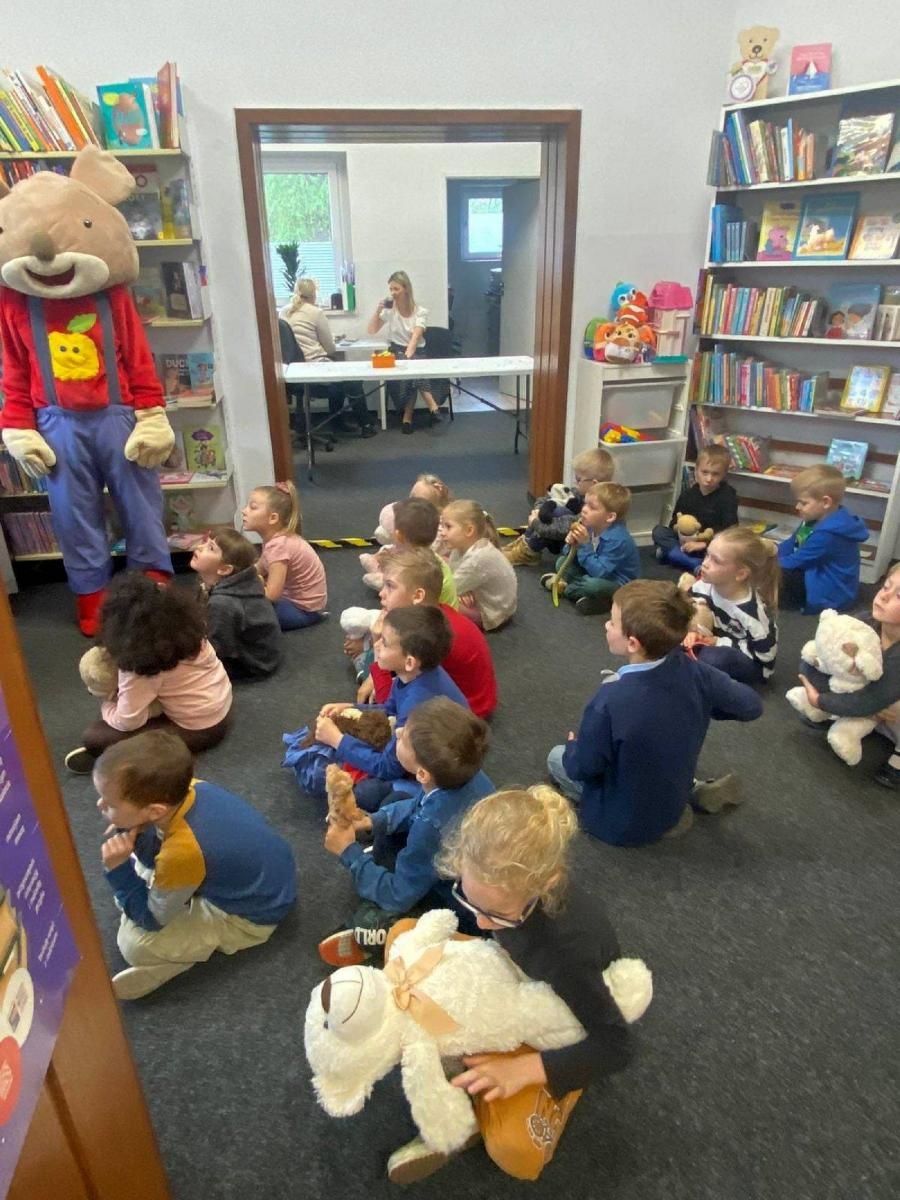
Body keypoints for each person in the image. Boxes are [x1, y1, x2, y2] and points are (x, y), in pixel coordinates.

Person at [382, 785, 632, 1184]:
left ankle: (514, 1108)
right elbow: (485, 926)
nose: (480, 924)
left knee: (514, 1152)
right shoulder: (501, 894)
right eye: (468, 898)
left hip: (554, 1020)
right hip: (512, 978)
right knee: (404, 933)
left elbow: (617, 1047)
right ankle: (475, 1092)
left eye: (497, 914)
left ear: (546, 883)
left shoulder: (568, 952)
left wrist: (524, 1070)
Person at [547, 580, 762, 845]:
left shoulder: (609, 700)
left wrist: (572, 748)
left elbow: (584, 766)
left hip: (621, 825)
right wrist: (702, 704)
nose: (606, 625)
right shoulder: (697, 672)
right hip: (670, 798)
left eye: (612, 622)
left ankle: (681, 799)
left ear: (634, 643)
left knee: (556, 758)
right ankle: (690, 793)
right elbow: (751, 706)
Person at [95, 731, 296, 1000]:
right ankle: (164, 895)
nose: (100, 806)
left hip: (252, 917)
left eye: (110, 804)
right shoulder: (192, 787)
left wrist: (118, 871)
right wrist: (130, 824)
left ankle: (174, 962)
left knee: (133, 944)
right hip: (271, 878)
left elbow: (153, 920)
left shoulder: (182, 852)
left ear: (155, 811)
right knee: (144, 867)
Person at [318, 697, 494, 967]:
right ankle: (379, 877)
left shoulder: (431, 825)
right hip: (463, 861)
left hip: (465, 912)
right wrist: (371, 822)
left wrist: (349, 852)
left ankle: (384, 931)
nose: (397, 731)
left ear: (422, 774)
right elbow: (420, 804)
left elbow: (399, 894)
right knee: (393, 803)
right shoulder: (469, 774)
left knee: (390, 903)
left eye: (403, 739)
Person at [65, 573, 233, 774]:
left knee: (94, 736)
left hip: (199, 730)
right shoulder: (190, 632)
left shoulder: (140, 666)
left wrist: (109, 703)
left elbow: (127, 721)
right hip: (224, 709)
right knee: (150, 702)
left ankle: (126, 758)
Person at [315, 605, 468, 811]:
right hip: (429, 758)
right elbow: (389, 709)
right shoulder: (411, 676)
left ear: (410, 661)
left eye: (384, 643)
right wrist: (350, 707)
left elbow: (387, 767)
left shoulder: (416, 705)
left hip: (440, 781)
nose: (376, 646)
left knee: (364, 794)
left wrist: (337, 740)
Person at [795, 562, 900, 789]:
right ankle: (856, 718)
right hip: (872, 701)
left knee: (894, 707)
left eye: (898, 596)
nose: (883, 597)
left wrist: (821, 701)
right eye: (886, 587)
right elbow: (822, 651)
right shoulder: (863, 624)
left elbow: (874, 698)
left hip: (888, 707)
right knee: (847, 679)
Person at [360, 545, 498, 717]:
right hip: (463, 693)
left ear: (418, 596)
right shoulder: (433, 616)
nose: (381, 593)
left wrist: (376, 640)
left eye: (390, 586)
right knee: (377, 661)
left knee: (370, 686)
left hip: (465, 713)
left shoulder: (430, 636)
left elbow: (388, 705)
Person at [280, 277, 377, 437]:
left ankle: (337, 422)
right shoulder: (315, 312)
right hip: (314, 369)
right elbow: (330, 348)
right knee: (352, 378)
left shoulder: (283, 311)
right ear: (313, 295)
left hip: (293, 372)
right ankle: (364, 424)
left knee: (338, 369)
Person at [684, 526, 779, 686]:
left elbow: (765, 656)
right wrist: (691, 632)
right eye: (707, 555)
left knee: (712, 659)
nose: (705, 564)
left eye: (716, 561)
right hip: (710, 641)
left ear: (741, 574)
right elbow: (684, 609)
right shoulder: (702, 586)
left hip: (749, 662)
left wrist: (718, 642)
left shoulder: (752, 613)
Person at [190, 526, 282, 679]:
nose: (200, 547)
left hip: (254, 663)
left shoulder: (223, 604)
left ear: (224, 569)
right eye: (206, 542)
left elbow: (217, 648)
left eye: (210, 548)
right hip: (254, 648)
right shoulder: (215, 584)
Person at [776, 464, 868, 614]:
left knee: (776, 579)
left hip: (830, 592)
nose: (797, 506)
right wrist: (772, 551)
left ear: (826, 502)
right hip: (816, 571)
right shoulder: (814, 518)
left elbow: (797, 561)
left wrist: (764, 564)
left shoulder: (828, 534)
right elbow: (793, 542)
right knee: (774, 565)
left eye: (803, 503)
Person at [503, 447, 614, 567]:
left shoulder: (594, 511)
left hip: (577, 548)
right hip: (563, 537)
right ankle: (526, 544)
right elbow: (546, 498)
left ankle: (529, 552)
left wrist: (536, 522)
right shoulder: (579, 494)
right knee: (551, 508)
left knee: (558, 512)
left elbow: (562, 528)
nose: (575, 483)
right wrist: (541, 509)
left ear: (594, 484)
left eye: (578, 479)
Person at [541, 482, 639, 616]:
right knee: (561, 562)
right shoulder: (590, 525)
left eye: (592, 507)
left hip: (616, 582)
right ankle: (583, 592)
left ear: (610, 517)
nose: (584, 509)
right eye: (585, 503)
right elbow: (569, 555)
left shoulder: (619, 540)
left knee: (592, 585)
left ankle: (573, 590)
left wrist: (584, 544)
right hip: (591, 571)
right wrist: (571, 543)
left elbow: (600, 572)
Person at [241, 481, 327, 631]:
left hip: (302, 610)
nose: (244, 511)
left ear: (273, 518)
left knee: (245, 614)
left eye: (252, 507)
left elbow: (272, 594)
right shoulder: (273, 540)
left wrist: (248, 588)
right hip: (300, 604)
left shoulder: (278, 546)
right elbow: (259, 569)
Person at [366, 270, 442, 433]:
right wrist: (377, 310)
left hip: (417, 350)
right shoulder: (390, 310)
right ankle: (433, 407)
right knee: (414, 371)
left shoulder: (420, 311)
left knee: (413, 370)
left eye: (396, 289)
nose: (392, 293)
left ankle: (407, 419)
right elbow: (372, 330)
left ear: (406, 289)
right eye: (391, 289)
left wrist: (410, 353)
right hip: (397, 349)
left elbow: (416, 336)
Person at [651, 444, 738, 571]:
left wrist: (703, 544)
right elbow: (674, 522)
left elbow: (730, 529)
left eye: (715, 474)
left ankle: (674, 555)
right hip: (684, 541)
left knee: (730, 546)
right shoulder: (688, 495)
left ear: (724, 474)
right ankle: (688, 561)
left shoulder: (728, 497)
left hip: (708, 545)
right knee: (659, 531)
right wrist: (681, 532)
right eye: (705, 472)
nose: (709, 479)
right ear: (696, 470)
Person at [360, 472, 452, 586]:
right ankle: (379, 569)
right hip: (414, 547)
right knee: (386, 550)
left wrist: (396, 555)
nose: (410, 502)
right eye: (411, 496)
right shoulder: (420, 519)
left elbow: (426, 551)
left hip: (429, 557)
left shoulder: (437, 527)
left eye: (416, 500)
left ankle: (387, 581)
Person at [439, 500, 517, 630]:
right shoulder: (460, 547)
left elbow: (446, 590)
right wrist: (463, 590)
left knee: (437, 602)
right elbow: (454, 573)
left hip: (493, 615)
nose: (442, 532)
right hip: (482, 597)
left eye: (448, 526)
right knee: (442, 563)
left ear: (469, 530)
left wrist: (458, 591)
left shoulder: (478, 559)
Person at [392, 496, 457, 607]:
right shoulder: (433, 559)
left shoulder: (411, 571)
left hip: (436, 619)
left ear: (399, 536)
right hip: (449, 612)